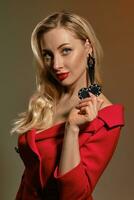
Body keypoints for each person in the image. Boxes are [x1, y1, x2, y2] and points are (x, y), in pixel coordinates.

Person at [11, 11, 125, 200]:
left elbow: (73, 196)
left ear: (88, 47)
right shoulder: (43, 101)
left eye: (65, 50)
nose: (56, 64)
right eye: (48, 55)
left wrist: (71, 129)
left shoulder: (106, 117)